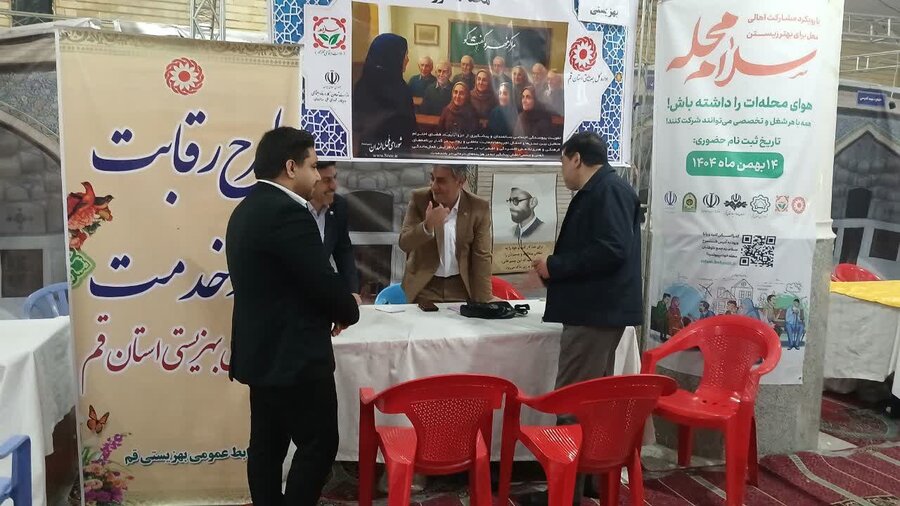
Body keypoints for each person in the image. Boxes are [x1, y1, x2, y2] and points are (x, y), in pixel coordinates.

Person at [225, 127, 360, 506]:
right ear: (290, 167)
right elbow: (320, 280)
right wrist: (347, 308)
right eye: (313, 166)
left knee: (267, 446)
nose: (318, 176)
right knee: (319, 443)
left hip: (262, 354)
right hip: (295, 358)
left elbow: (285, 284)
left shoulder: (246, 209)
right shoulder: (288, 214)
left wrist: (327, 303)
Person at [532, 132, 641, 503]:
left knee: (571, 402)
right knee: (592, 404)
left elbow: (611, 249)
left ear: (576, 158)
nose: (562, 170)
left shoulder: (607, 191)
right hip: (599, 310)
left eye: (563, 162)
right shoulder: (605, 189)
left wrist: (556, 266)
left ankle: (564, 495)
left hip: (594, 313)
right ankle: (590, 482)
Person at [399, 164, 492, 304]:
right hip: (424, 287)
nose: (434, 186)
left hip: (461, 288)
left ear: (460, 181)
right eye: (432, 178)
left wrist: (485, 301)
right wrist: (427, 226)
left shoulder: (478, 207)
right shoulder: (420, 199)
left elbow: (482, 257)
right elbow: (404, 243)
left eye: (441, 181)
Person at [352, 33, 416, 156]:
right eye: (405, 55)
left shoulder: (362, 85)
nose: (407, 59)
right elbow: (409, 131)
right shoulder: (400, 91)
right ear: (393, 57)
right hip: (395, 158)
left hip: (366, 156)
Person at [308, 160, 361, 304]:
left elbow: (343, 251)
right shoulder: (294, 209)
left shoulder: (339, 206)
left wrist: (352, 291)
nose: (334, 186)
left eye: (334, 178)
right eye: (326, 180)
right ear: (311, 182)